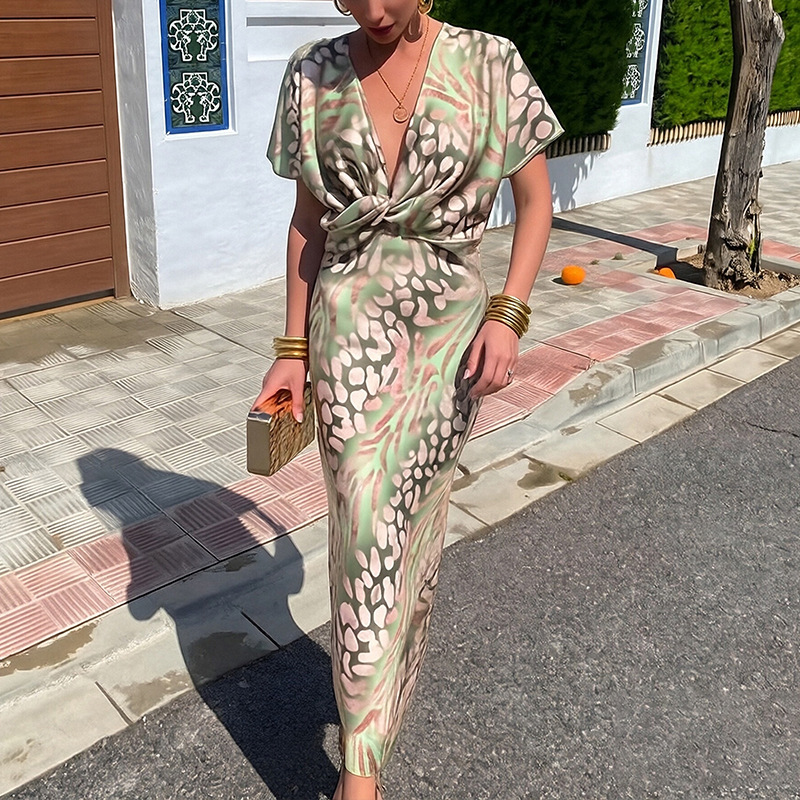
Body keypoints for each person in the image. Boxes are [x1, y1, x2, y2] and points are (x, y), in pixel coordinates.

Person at [253, 0, 563, 796]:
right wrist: (291, 352)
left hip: (446, 338)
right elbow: (308, 222)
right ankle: (361, 773)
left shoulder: (490, 63)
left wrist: (509, 314)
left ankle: (377, 720)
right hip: (348, 327)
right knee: (364, 524)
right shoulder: (313, 73)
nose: (374, 11)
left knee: (411, 532)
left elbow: (536, 201)